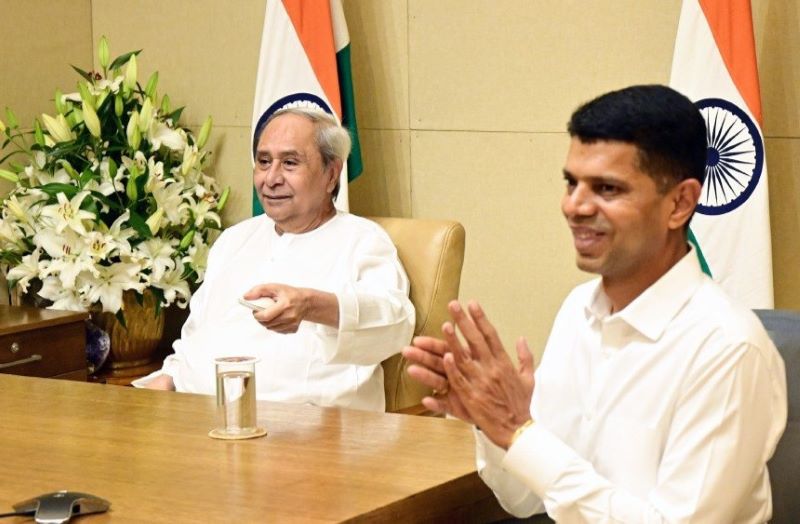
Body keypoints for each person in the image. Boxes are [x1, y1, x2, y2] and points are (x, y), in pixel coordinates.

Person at [402, 85, 787, 521]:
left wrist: (517, 431)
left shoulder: (728, 348)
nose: (574, 206)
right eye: (571, 183)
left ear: (679, 203)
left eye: (606, 188)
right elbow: (526, 501)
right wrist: (490, 425)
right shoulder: (578, 310)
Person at [134, 107, 415, 412]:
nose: (271, 178)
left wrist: (312, 305)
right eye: (264, 161)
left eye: (290, 163)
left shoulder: (362, 240)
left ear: (331, 174)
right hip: (193, 416)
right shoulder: (234, 239)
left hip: (306, 427)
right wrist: (168, 378)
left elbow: (395, 322)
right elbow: (196, 335)